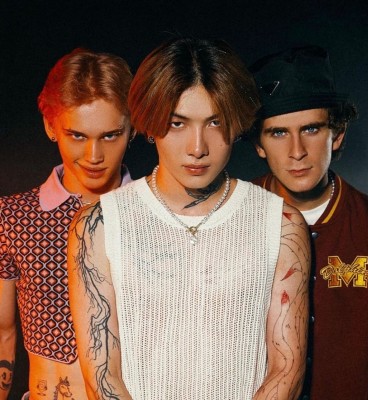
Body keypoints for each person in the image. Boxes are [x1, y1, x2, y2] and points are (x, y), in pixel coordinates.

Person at [67, 37, 311, 400]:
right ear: (150, 123)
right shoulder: (99, 225)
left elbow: (287, 369)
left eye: (215, 123)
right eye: (178, 123)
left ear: (236, 125)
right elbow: (102, 377)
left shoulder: (281, 224)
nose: (198, 147)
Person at [248, 45, 368, 400]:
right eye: (279, 133)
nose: (297, 151)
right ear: (258, 143)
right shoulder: (232, 218)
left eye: (312, 129)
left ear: (338, 132)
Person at [0, 48, 133, 400]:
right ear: (50, 126)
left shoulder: (154, 217)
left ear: (132, 127)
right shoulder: (13, 217)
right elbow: (2, 334)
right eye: (78, 135)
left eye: (110, 135)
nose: (94, 156)